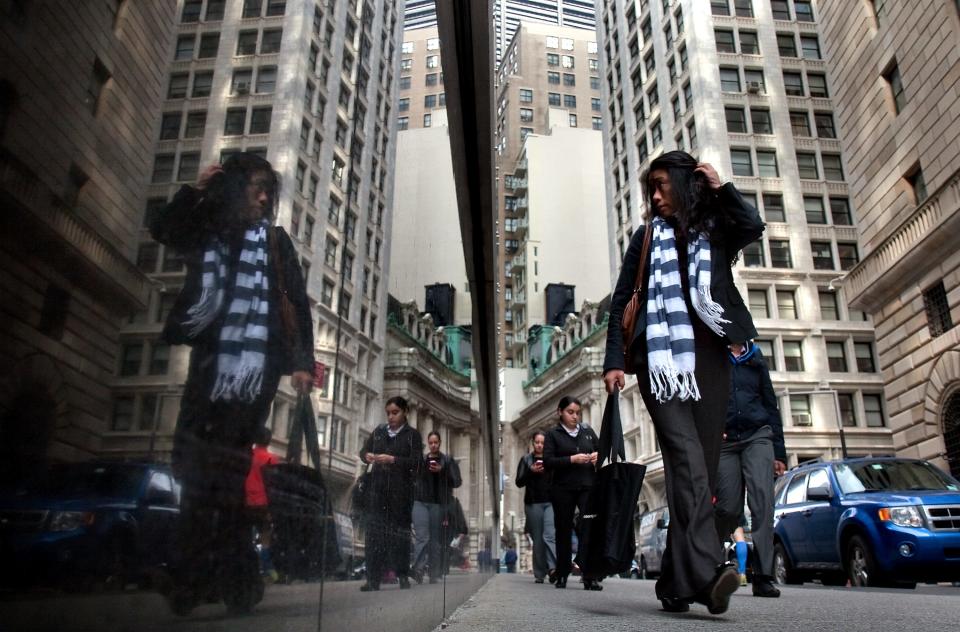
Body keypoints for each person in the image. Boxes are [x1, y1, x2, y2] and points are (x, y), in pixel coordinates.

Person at [150, 153, 315, 616]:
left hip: (254, 370)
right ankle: (232, 577)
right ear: (236, 186)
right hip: (210, 364)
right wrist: (198, 190)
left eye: (269, 189)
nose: (264, 197)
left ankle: (196, 578)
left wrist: (303, 361)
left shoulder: (276, 244)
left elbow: (296, 304)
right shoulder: (211, 227)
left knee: (220, 471)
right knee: (192, 465)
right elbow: (165, 230)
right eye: (256, 187)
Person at [602, 151, 765, 615]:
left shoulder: (714, 229)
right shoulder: (646, 238)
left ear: (681, 181)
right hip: (660, 363)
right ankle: (711, 572)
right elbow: (620, 304)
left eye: (661, 185)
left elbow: (751, 226)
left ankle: (675, 584)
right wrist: (616, 360)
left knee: (696, 474)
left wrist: (718, 187)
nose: (654, 196)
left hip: (710, 363)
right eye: (649, 189)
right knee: (689, 463)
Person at [714, 340, 786, 598]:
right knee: (727, 507)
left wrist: (779, 452)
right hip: (725, 441)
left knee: (762, 503)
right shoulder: (713, 353)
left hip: (758, 435)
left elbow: (770, 404)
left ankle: (764, 576)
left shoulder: (755, 357)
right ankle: (711, 565)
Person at [358, 396, 423, 591]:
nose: (391, 417)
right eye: (388, 413)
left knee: (399, 534)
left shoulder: (413, 435)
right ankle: (373, 579)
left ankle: (402, 575)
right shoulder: (378, 432)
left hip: (400, 492)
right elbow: (364, 451)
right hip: (377, 490)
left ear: (405, 412)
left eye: (395, 413)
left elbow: (417, 463)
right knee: (374, 534)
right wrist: (367, 456)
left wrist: (393, 459)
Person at [543, 396, 602, 591]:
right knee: (563, 530)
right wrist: (571, 459)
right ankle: (562, 574)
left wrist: (596, 456)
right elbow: (549, 462)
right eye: (570, 412)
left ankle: (590, 575)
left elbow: (601, 450)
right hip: (563, 488)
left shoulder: (587, 432)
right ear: (560, 412)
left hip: (587, 486)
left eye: (577, 413)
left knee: (589, 528)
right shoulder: (553, 434)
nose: (575, 416)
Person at [412, 430, 462, 584]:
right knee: (421, 536)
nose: (433, 445)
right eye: (431, 443)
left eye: (436, 442)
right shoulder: (422, 459)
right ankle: (418, 569)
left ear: (440, 443)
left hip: (437, 504)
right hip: (420, 502)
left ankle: (434, 573)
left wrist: (443, 470)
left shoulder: (447, 461)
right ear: (428, 443)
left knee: (434, 540)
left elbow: (457, 482)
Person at [515, 431, 557, 584]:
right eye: (537, 442)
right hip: (533, 504)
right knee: (538, 539)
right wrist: (530, 471)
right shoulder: (526, 459)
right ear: (532, 443)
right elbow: (519, 482)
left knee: (550, 535)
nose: (540, 445)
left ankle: (553, 568)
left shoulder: (552, 459)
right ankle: (540, 573)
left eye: (543, 443)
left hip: (551, 502)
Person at [244, 426, 281, 583]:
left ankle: (246, 566)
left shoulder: (247, 456)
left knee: (246, 536)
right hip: (263, 503)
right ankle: (266, 568)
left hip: (245, 502)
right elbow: (273, 485)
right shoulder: (271, 459)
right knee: (265, 537)